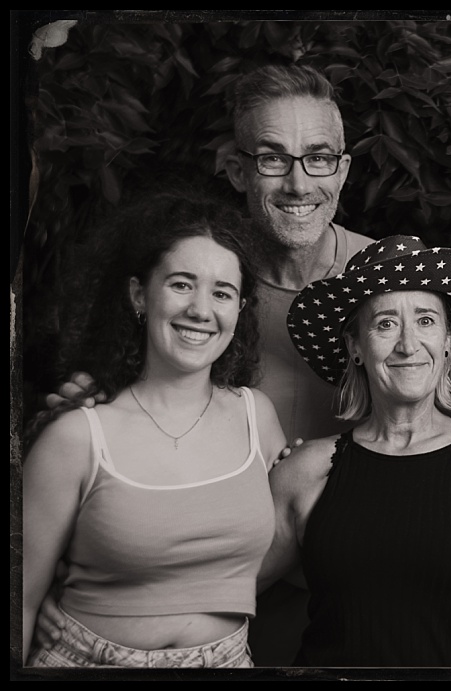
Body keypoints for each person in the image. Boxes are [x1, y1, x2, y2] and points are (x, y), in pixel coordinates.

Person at [44, 63, 377, 665]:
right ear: (236, 169)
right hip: (202, 615)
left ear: (343, 169)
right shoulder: (198, 292)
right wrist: (93, 401)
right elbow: (124, 413)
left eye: (319, 157)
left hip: (348, 610)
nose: (299, 184)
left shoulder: (388, 286)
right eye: (273, 158)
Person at [22, 190, 287, 668]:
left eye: (222, 292)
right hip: (88, 662)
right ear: (139, 294)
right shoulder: (78, 437)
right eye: (182, 284)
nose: (201, 310)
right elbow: (19, 600)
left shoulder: (258, 417)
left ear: (239, 309)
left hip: (228, 662)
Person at [260, 234, 451, 666]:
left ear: (449, 342)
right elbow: (229, 583)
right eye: (385, 324)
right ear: (355, 348)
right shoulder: (305, 470)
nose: (408, 344)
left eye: (426, 320)